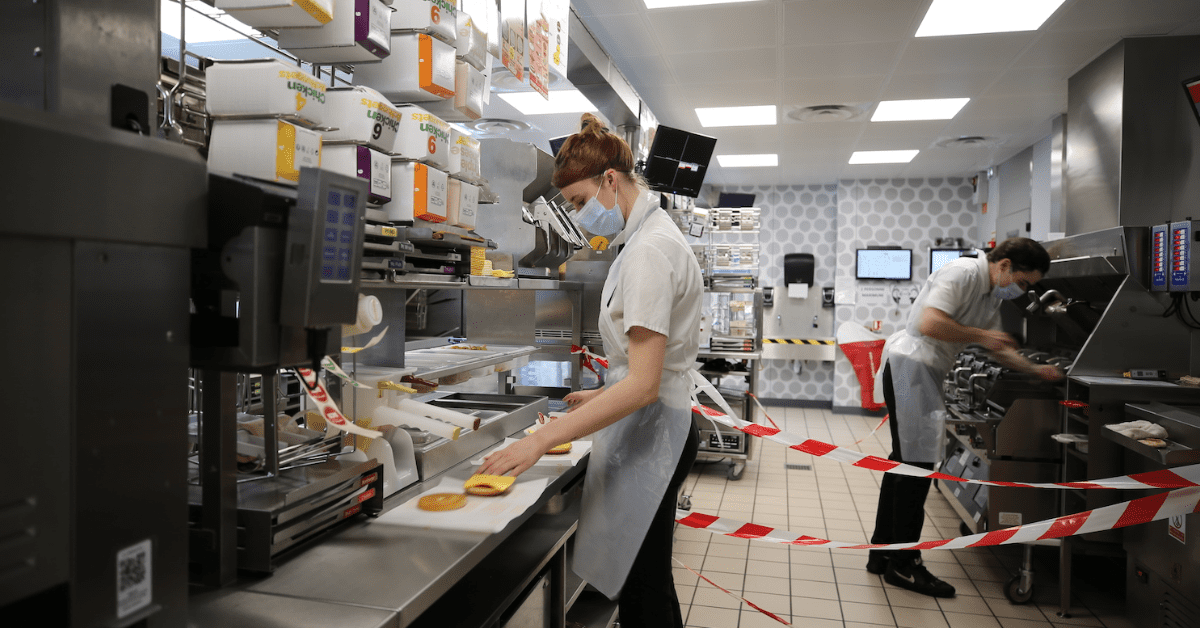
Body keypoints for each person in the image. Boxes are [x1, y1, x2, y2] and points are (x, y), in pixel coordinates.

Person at [477, 113, 703, 628]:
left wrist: (539, 441)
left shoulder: (650, 252)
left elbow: (643, 385)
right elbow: (646, 368)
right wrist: (601, 397)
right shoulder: (649, 237)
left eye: (579, 202)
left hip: (654, 432)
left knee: (644, 587)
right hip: (660, 424)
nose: (580, 218)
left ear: (610, 180)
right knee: (648, 578)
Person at [866, 237, 1063, 598]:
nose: (1022, 291)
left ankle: (883, 552)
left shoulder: (988, 295)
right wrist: (981, 335)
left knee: (904, 463)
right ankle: (904, 564)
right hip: (913, 366)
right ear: (1004, 265)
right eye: (1023, 282)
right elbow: (930, 322)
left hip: (923, 368)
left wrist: (1036, 371)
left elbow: (996, 347)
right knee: (917, 466)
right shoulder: (962, 273)